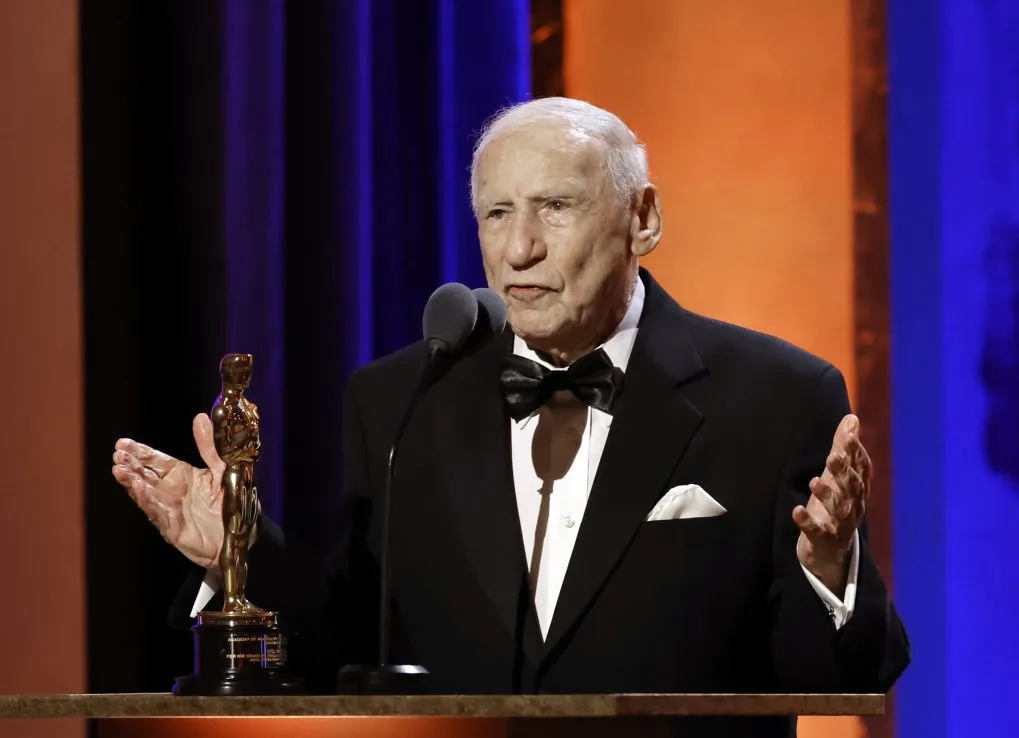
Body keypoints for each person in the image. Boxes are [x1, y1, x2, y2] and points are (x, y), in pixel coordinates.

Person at [112, 97, 910, 737]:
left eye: (555, 207)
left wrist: (829, 570)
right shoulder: (402, 400)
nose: (519, 247)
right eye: (496, 214)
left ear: (643, 219)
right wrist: (237, 557)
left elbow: (845, 680)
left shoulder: (776, 397)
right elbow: (350, 649)